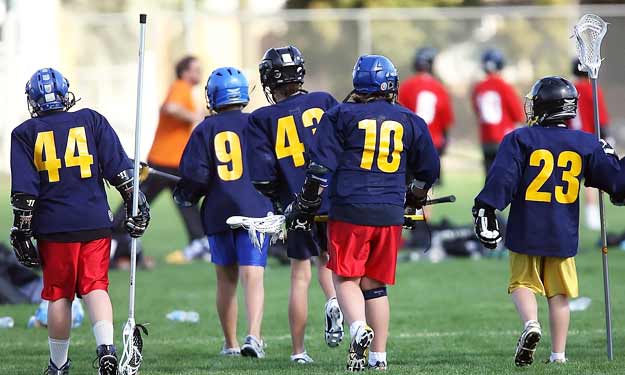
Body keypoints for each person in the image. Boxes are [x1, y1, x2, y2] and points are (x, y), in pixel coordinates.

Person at [287, 55, 440, 371]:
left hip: (349, 209)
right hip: (389, 212)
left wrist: (305, 206)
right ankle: (379, 358)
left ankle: (357, 327)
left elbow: (318, 171)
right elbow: (428, 171)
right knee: (376, 286)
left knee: (345, 278)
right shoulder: (409, 119)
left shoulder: (339, 115)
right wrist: (414, 198)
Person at [472, 76, 624, 367]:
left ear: (543, 106)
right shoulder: (586, 143)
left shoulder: (519, 138)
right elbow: (615, 181)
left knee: (521, 283)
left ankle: (531, 323)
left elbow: (502, 179)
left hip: (526, 227)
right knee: (559, 294)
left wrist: (486, 208)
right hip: (562, 231)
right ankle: (558, 355)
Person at [10, 68, 150, 375]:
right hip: (94, 220)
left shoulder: (24, 133)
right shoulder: (91, 119)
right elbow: (121, 173)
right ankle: (107, 350)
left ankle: (58, 365)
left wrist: (21, 231)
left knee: (59, 295)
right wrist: (136, 204)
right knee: (95, 286)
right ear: (64, 94)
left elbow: (25, 193)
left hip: (54, 226)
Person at [247, 45, 344, 363]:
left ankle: (299, 352)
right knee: (333, 264)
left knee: (299, 276)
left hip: (297, 203)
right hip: (333, 198)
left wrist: (278, 202)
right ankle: (334, 301)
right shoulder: (324, 101)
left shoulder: (262, 118)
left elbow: (262, 175)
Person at [173, 67, 272, 358]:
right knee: (253, 276)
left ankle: (230, 343)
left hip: (218, 210)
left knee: (225, 279)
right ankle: (253, 336)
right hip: (254, 208)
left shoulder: (205, 128)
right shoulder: (257, 123)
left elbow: (195, 175)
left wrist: (187, 194)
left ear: (213, 97)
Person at [110, 55, 206, 266]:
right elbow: (170, 107)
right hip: (163, 160)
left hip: (174, 161)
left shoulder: (188, 91)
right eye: (195, 69)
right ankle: (115, 235)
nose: (199, 73)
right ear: (185, 72)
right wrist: (194, 117)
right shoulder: (180, 86)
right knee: (139, 200)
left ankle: (199, 242)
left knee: (186, 201)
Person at [570, 57, 612, 230]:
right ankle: (593, 218)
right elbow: (601, 118)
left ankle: (569, 218)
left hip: (570, 140)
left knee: (570, 181)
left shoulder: (569, 89)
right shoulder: (592, 89)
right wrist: (607, 138)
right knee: (592, 181)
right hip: (589, 140)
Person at [471, 48, 524, 175]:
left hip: (486, 138)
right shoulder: (504, 86)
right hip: (504, 138)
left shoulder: (478, 88)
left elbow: (477, 110)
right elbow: (517, 114)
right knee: (506, 179)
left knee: (489, 178)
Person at [398, 47, 454, 158]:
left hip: (411, 142)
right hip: (434, 142)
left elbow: (399, 116)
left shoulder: (406, 86)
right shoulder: (440, 88)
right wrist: (445, 141)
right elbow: (445, 120)